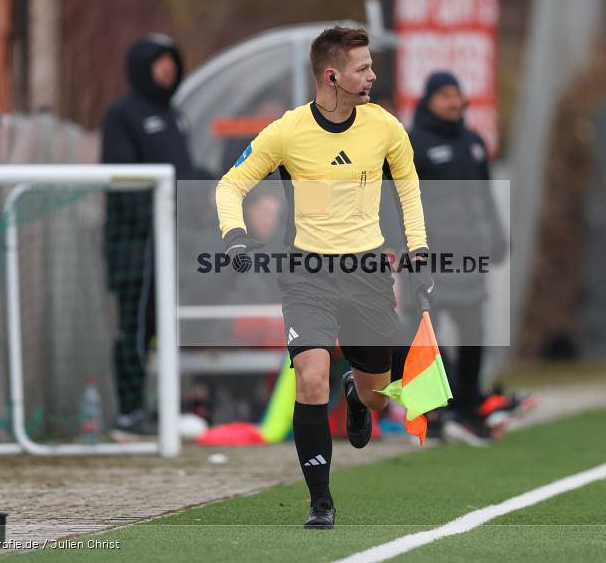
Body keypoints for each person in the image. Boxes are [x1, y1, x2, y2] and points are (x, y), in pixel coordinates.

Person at [215, 26, 432, 529]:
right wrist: (236, 236)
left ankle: (357, 393)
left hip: (368, 277)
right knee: (311, 379)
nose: (373, 75)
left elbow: (410, 192)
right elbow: (230, 186)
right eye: (363, 68)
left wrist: (419, 250)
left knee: (380, 395)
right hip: (306, 275)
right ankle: (320, 502)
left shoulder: (385, 127)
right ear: (332, 76)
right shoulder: (287, 132)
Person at [101, 33, 210, 441]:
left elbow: (185, 172)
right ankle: (129, 413)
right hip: (136, 245)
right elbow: (121, 179)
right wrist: (153, 220)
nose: (168, 68)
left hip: (170, 245)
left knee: (163, 324)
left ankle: (161, 408)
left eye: (172, 61)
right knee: (134, 326)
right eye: (159, 61)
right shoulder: (122, 114)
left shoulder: (176, 116)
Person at [407, 71, 510, 444]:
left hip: (470, 257)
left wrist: (497, 236)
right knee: (425, 337)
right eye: (445, 95)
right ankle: (440, 408)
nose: (453, 102)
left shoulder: (474, 143)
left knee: (473, 336)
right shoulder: (412, 142)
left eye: (457, 94)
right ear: (429, 100)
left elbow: (485, 197)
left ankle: (469, 406)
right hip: (430, 257)